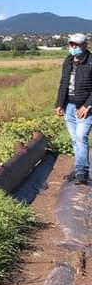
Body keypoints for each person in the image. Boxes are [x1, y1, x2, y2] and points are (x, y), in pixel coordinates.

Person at [55, 33, 92, 185]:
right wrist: (59, 103)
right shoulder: (68, 60)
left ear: (85, 45)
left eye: (76, 45)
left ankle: (82, 173)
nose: (73, 47)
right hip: (68, 106)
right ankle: (79, 169)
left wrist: (87, 105)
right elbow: (63, 82)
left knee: (81, 137)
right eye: (71, 44)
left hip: (84, 107)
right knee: (75, 140)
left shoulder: (91, 62)